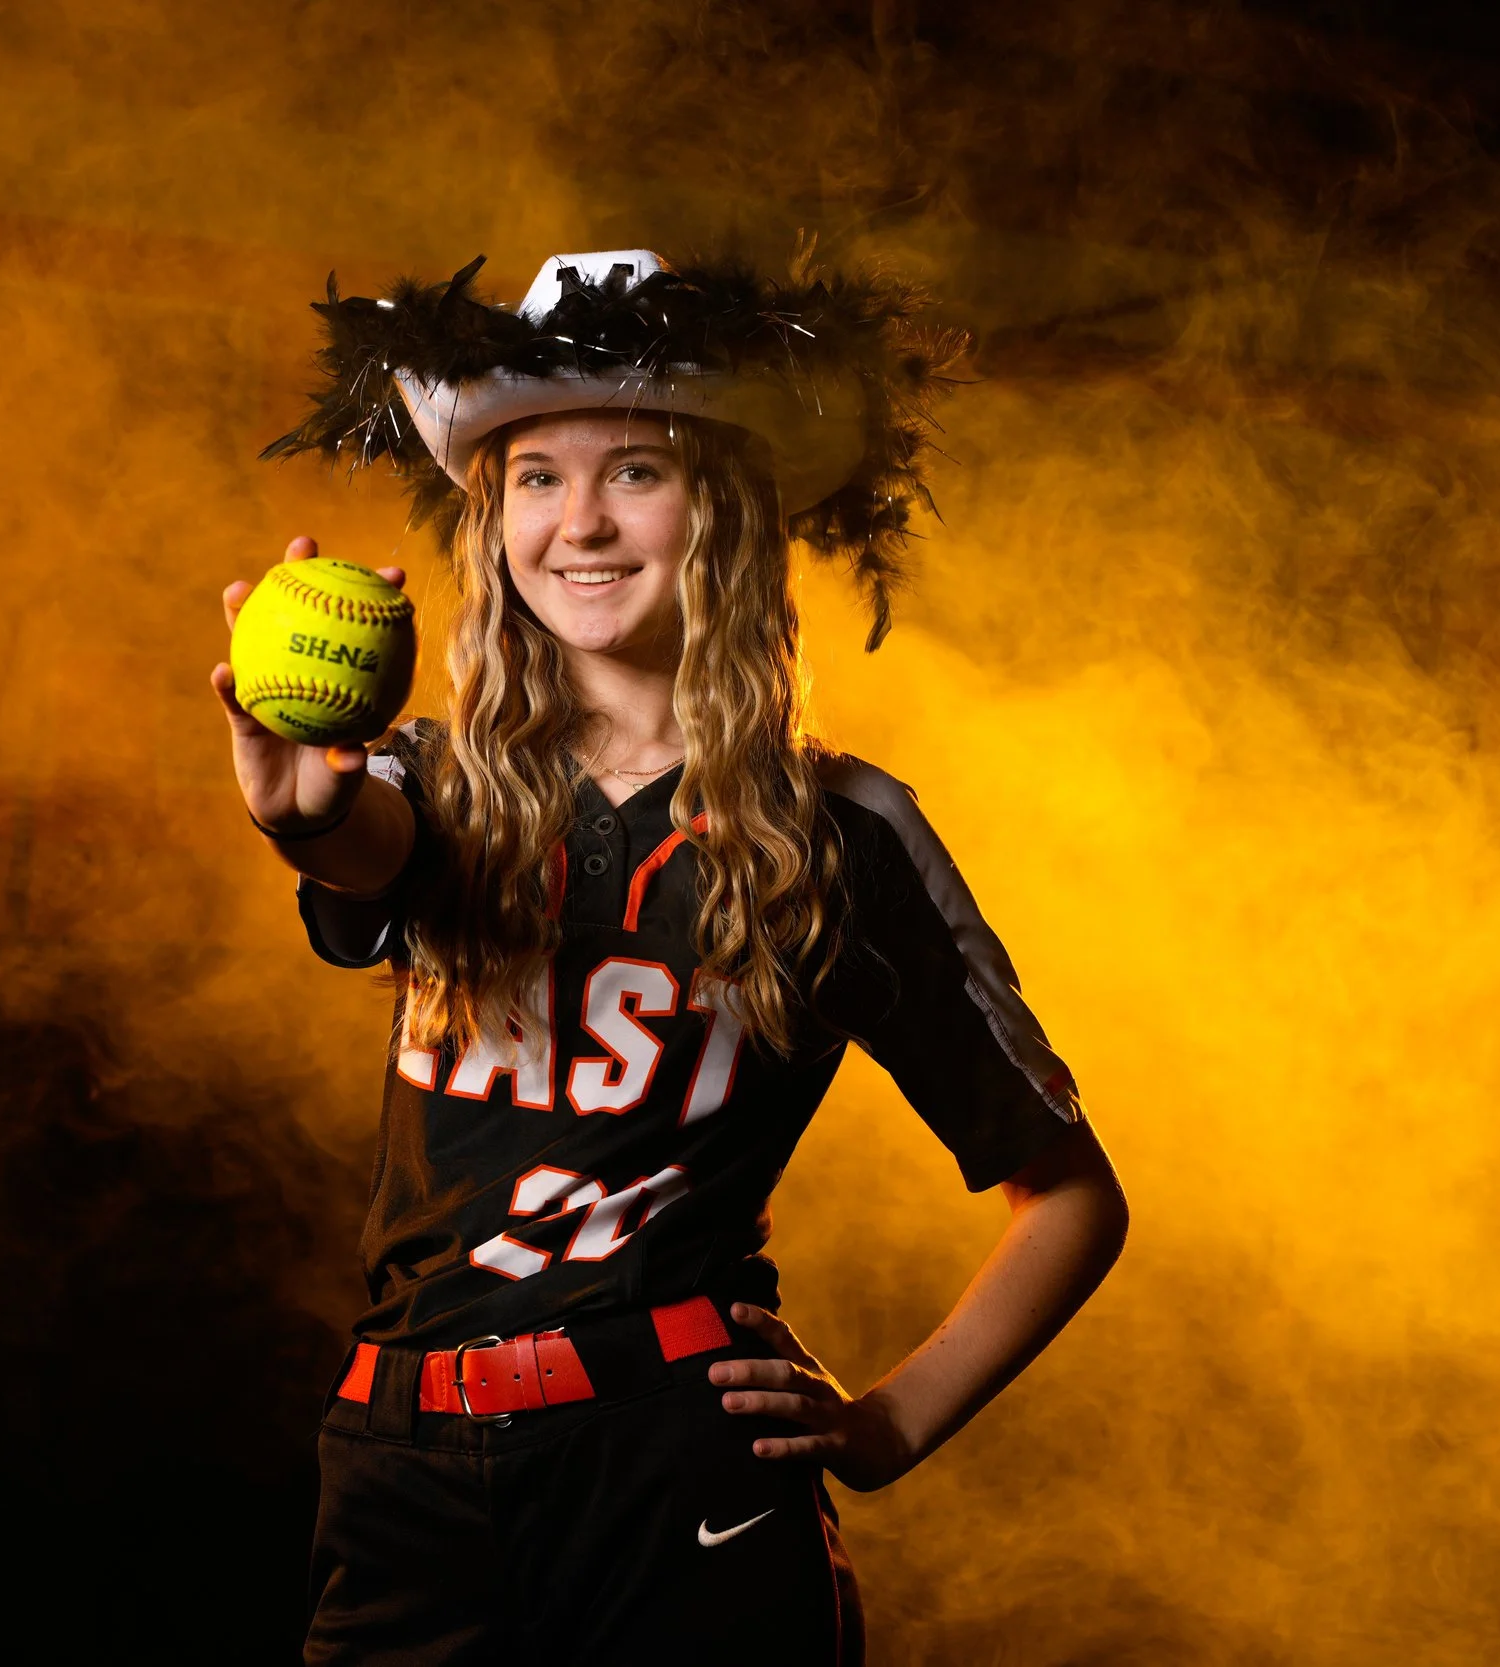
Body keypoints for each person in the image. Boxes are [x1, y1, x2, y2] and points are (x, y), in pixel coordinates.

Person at [223, 249, 1129, 1665]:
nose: (578, 520)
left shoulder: (846, 830)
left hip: (677, 1465)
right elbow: (364, 849)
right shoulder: (424, 779)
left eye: (635, 470)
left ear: (725, 509)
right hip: (403, 1467)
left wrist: (886, 1426)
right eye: (535, 476)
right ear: (493, 519)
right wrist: (305, 818)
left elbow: (1069, 1195)